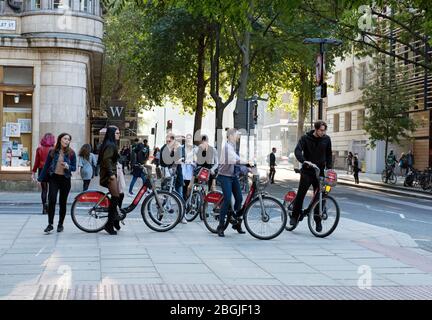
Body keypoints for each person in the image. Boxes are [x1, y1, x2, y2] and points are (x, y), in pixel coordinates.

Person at [290, 120, 333, 232]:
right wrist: (304, 161)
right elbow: (297, 151)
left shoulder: (326, 139)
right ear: (316, 129)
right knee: (301, 194)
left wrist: (330, 167)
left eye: (324, 130)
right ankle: (294, 217)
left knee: (321, 196)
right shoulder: (305, 138)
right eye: (321, 130)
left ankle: (317, 220)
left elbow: (329, 154)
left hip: (320, 172)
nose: (323, 132)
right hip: (307, 171)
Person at [38, 133, 77, 233]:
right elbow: (46, 166)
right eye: (65, 139)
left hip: (65, 179)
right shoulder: (52, 151)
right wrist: (40, 179)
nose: (67, 141)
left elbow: (74, 167)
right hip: (54, 179)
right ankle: (50, 224)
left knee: (62, 202)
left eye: (68, 139)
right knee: (52, 200)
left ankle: (60, 224)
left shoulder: (71, 153)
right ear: (60, 139)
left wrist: (68, 166)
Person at [217, 128, 247, 237]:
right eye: (236, 135)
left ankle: (236, 223)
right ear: (230, 136)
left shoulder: (233, 147)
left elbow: (238, 159)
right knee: (228, 199)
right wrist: (246, 163)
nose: (237, 137)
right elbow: (235, 160)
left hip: (232, 176)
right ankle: (220, 227)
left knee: (239, 198)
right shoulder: (227, 147)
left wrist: (249, 164)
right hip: (224, 176)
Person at [98, 126, 122, 235]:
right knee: (116, 197)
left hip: (111, 173)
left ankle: (116, 220)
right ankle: (109, 224)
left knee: (120, 195)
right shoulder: (110, 145)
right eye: (117, 133)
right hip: (109, 175)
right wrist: (111, 174)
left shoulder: (110, 144)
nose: (119, 135)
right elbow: (106, 160)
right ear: (112, 134)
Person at [32, 133, 55, 215]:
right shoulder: (54, 149)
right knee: (52, 190)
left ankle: (44, 208)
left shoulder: (39, 149)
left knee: (44, 190)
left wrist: (33, 172)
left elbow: (36, 162)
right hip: (52, 171)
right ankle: (49, 207)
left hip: (42, 170)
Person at [160, 134, 184, 198]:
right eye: (167, 141)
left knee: (179, 192)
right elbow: (162, 162)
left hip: (177, 173)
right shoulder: (164, 148)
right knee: (166, 192)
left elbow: (180, 159)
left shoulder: (178, 147)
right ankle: (163, 205)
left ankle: (181, 206)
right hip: (167, 173)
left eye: (170, 141)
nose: (168, 142)